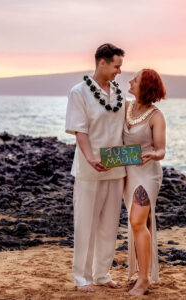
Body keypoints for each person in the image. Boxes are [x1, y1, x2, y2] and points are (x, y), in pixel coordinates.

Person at [65, 43, 126, 292]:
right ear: (102, 62)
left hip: (116, 165)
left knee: (109, 223)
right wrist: (90, 158)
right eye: (116, 66)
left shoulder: (119, 94)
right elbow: (80, 130)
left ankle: (102, 274)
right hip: (89, 167)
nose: (119, 71)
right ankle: (82, 277)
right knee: (86, 223)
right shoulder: (79, 92)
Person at [123, 69, 166, 296]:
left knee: (137, 221)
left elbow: (161, 149)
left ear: (145, 86)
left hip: (147, 174)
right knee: (139, 224)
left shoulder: (156, 116)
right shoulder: (126, 107)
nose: (130, 81)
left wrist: (153, 155)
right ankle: (141, 272)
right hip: (128, 173)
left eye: (136, 79)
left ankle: (144, 279)